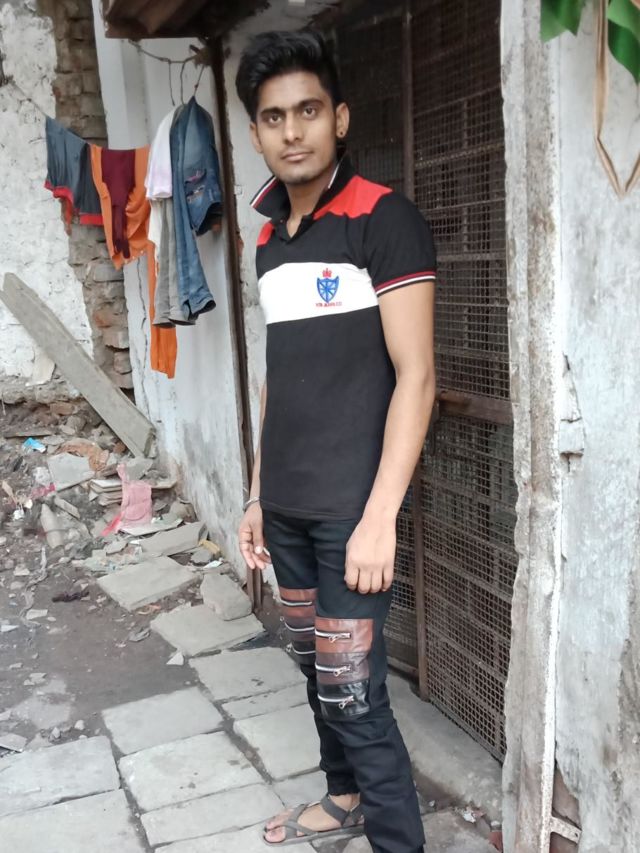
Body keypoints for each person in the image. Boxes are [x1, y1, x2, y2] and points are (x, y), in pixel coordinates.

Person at [236, 30, 436, 852]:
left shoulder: (384, 220)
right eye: (274, 116)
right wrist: (257, 494)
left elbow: (417, 376)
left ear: (340, 118)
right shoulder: (266, 240)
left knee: (353, 689)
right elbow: (277, 378)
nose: (293, 131)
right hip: (284, 504)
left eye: (308, 110)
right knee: (316, 669)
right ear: (256, 132)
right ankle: (344, 794)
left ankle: (399, 839)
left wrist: (380, 516)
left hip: (352, 510)